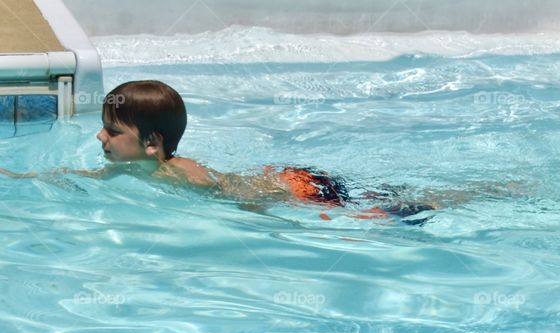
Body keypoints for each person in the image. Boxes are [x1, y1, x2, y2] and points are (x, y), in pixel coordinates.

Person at [1, 79, 436, 218]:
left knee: (381, 212)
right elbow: (81, 180)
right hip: (283, 179)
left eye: (112, 131)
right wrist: (18, 179)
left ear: (152, 145)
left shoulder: (183, 175)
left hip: (297, 188)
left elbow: (242, 198)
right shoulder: (132, 169)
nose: (100, 138)